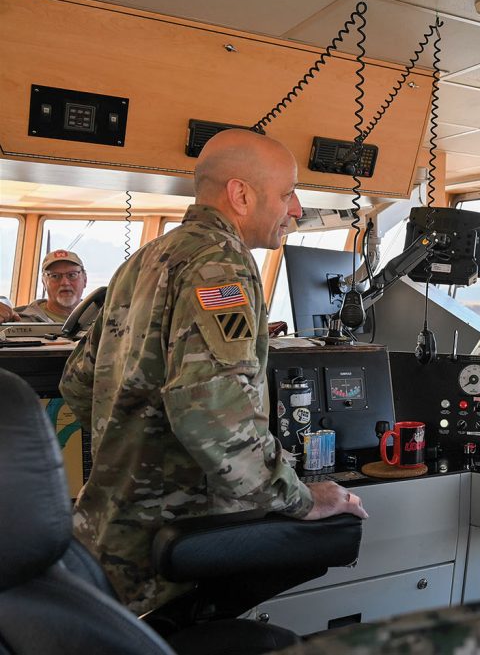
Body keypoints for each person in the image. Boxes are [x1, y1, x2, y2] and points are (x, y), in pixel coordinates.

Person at [60, 128, 368, 615]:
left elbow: (78, 383)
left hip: (107, 530)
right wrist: (301, 498)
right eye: (287, 193)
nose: (295, 210)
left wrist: (137, 441)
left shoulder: (144, 259)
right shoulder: (221, 265)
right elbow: (213, 417)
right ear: (241, 195)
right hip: (175, 543)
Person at [0, 249, 87, 323]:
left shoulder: (99, 318)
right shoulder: (16, 320)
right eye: (54, 276)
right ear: (44, 282)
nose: (64, 283)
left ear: (85, 280)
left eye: (72, 275)